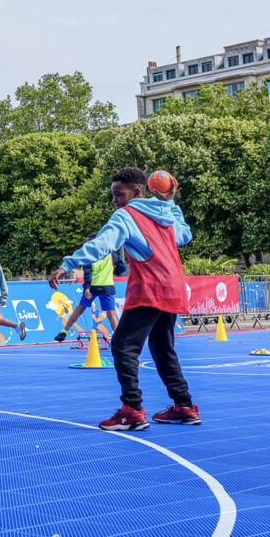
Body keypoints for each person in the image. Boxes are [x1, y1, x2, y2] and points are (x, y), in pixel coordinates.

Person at [49, 166, 199, 431]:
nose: (114, 201)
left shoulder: (126, 215)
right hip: (173, 286)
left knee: (122, 345)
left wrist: (68, 263)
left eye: (118, 194)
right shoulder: (165, 213)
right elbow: (184, 235)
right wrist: (171, 201)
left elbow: (102, 244)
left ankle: (132, 409)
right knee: (162, 348)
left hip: (150, 287)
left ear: (137, 192)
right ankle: (184, 406)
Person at [54, 232, 127, 342]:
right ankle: (119, 341)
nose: (86, 244)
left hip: (93, 288)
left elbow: (87, 273)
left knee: (79, 310)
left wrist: (87, 288)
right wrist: (113, 271)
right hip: (107, 286)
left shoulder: (89, 255)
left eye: (88, 242)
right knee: (111, 315)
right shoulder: (110, 253)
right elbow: (122, 267)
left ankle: (64, 332)